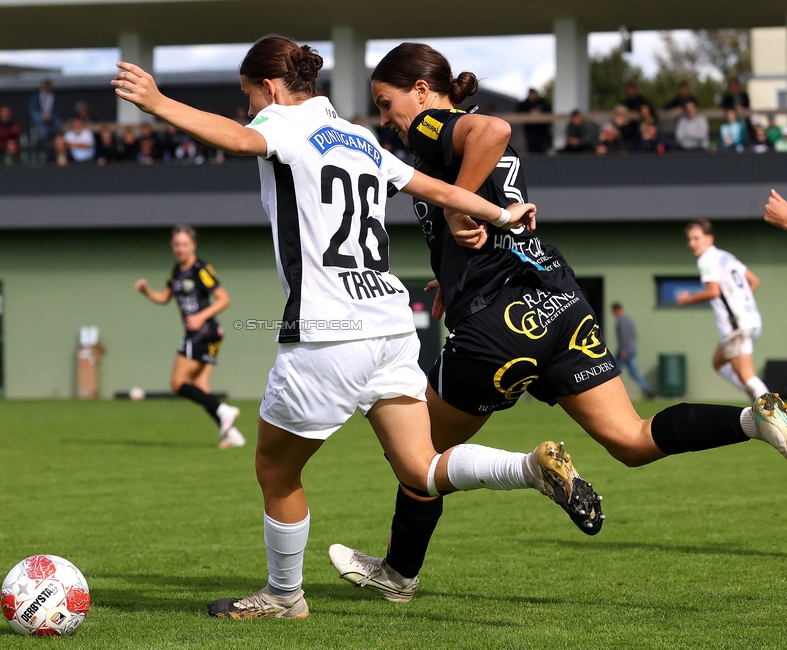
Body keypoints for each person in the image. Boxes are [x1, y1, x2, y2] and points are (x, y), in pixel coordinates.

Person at [327, 42, 787, 604]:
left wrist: (458, 205)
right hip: (556, 299)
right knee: (631, 440)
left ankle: (403, 572)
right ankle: (753, 419)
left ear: (421, 91)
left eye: (385, 102)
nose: (385, 119)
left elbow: (493, 130)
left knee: (415, 455)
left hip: (499, 318)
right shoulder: (443, 138)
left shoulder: (432, 125)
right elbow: (487, 207)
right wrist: (451, 274)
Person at [113, 34, 542, 620]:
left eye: (248, 96)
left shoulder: (285, 127)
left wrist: (158, 102)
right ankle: (528, 466)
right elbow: (435, 188)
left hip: (328, 330)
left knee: (275, 469)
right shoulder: (361, 138)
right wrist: (500, 212)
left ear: (269, 88)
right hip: (392, 326)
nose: (248, 109)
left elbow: (239, 138)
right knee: (420, 466)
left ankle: (284, 596)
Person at [134, 225, 244, 449]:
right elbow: (165, 298)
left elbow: (224, 299)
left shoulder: (201, 269)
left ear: (193, 245)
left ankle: (225, 411)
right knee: (201, 386)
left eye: (184, 244)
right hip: (207, 334)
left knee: (177, 383)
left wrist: (201, 316)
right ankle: (232, 434)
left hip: (202, 333)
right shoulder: (176, 271)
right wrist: (146, 291)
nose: (180, 248)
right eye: (176, 244)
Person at [677, 220, 770, 401]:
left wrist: (687, 300)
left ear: (710, 238)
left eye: (696, 238)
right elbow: (754, 280)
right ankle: (759, 401)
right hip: (751, 319)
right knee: (718, 362)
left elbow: (713, 291)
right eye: (689, 239)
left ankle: (776, 417)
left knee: (747, 375)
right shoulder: (726, 256)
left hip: (735, 323)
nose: (691, 244)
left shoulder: (706, 259)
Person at [611, 303, 654, 399]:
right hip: (632, 347)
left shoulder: (621, 321)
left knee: (615, 370)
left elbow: (623, 336)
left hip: (625, 348)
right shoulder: (629, 319)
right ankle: (647, 389)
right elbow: (634, 335)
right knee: (633, 372)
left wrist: (623, 349)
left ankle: (617, 393)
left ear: (616, 309)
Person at [514, 88, 552, 153]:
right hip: (530, 132)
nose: (532, 96)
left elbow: (549, 111)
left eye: (533, 94)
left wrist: (539, 113)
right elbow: (518, 112)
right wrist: (529, 113)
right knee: (532, 150)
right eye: (530, 94)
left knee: (543, 150)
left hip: (542, 131)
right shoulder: (525, 104)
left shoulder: (542, 102)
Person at [29, 79, 61, 153]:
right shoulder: (36, 97)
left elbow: (57, 110)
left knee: (58, 124)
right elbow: (32, 110)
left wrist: (50, 117)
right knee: (43, 132)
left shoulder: (54, 97)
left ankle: (48, 140)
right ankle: (39, 150)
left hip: (51, 119)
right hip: (39, 120)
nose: (47, 87)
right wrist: (41, 117)